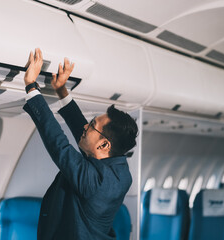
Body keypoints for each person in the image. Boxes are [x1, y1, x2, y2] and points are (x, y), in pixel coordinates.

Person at [23, 48, 138, 240]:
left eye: (92, 125)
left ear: (104, 145)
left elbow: (59, 145)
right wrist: (61, 90)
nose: (86, 126)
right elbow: (85, 136)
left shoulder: (96, 182)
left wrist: (31, 86)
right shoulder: (119, 170)